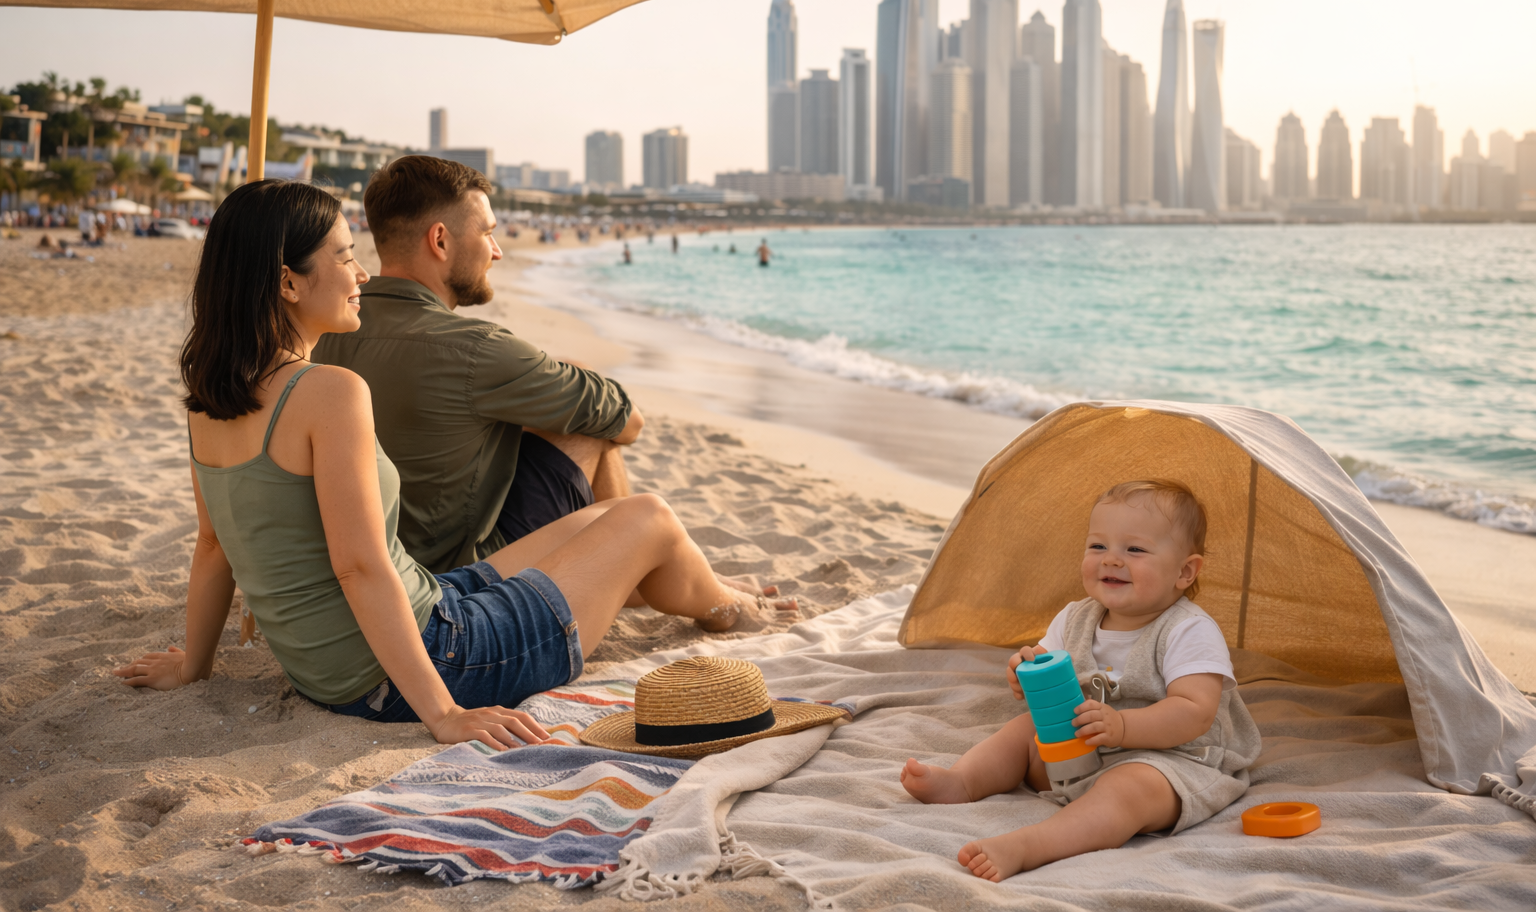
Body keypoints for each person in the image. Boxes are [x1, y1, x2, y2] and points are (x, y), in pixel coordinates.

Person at [114, 180, 760, 745]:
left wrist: (194, 666)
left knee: (606, 521)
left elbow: (210, 546)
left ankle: (714, 595)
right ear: (288, 282)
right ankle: (728, 609)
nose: (361, 274)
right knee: (648, 518)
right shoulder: (326, 394)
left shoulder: (211, 397)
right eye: (344, 256)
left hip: (352, 655)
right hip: (424, 665)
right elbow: (360, 566)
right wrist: (444, 712)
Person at [900, 480, 1260, 880]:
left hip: (1171, 759)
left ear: (1184, 571)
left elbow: (1195, 713)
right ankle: (963, 781)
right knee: (1025, 729)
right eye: (1098, 546)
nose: (1111, 560)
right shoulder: (1075, 617)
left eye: (1134, 549)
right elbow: (1046, 673)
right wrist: (1024, 672)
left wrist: (1123, 726)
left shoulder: (1188, 630)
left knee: (1129, 791)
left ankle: (1030, 846)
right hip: (1081, 748)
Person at [312, 157, 643, 578]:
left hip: (353, 563)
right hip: (453, 578)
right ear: (441, 241)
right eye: (487, 232)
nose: (498, 251)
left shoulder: (319, 330)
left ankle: (635, 568)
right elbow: (630, 422)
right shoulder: (477, 350)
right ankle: (631, 572)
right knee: (588, 415)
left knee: (546, 404)